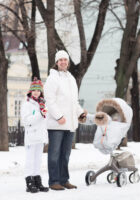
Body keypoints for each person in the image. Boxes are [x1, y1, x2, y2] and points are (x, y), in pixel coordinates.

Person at [44, 50, 86, 190]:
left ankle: (64, 179)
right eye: (60, 60)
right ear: (57, 62)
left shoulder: (71, 79)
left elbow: (74, 102)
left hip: (70, 124)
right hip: (57, 123)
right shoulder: (52, 78)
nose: (63, 62)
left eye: (65, 60)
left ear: (68, 62)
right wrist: (59, 116)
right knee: (54, 154)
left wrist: (80, 114)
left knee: (65, 154)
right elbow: (50, 100)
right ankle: (54, 181)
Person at [21, 78, 49, 193]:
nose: (36, 92)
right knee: (30, 160)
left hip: (40, 136)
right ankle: (29, 181)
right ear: (30, 92)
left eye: (38, 90)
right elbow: (26, 121)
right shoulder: (27, 104)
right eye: (34, 90)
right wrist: (39, 114)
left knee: (38, 159)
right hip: (31, 136)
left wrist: (45, 134)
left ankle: (37, 180)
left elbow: (45, 121)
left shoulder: (43, 104)